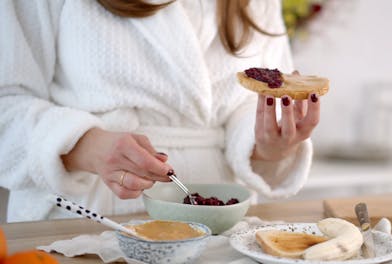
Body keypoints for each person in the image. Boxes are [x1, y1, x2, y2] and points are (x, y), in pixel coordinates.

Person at [0, 0, 321, 222]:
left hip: (219, 224)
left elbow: (250, 102)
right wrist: (85, 146)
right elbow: (7, 104)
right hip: (86, 216)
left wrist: (268, 144)